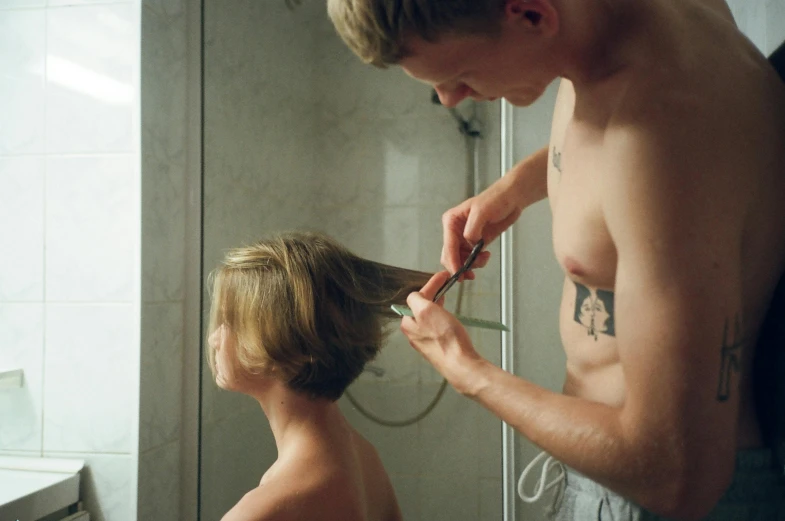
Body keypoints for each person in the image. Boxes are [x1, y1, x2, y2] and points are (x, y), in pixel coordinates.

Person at [327, 0, 785, 519]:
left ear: (529, 15)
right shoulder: (648, 25)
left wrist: (468, 370)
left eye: (460, 74)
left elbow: (677, 476)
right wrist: (518, 186)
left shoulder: (661, 132)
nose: (450, 101)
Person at [206, 231, 431, 521]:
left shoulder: (262, 511)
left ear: (278, 343)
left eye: (227, 321)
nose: (215, 338)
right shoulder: (363, 459)